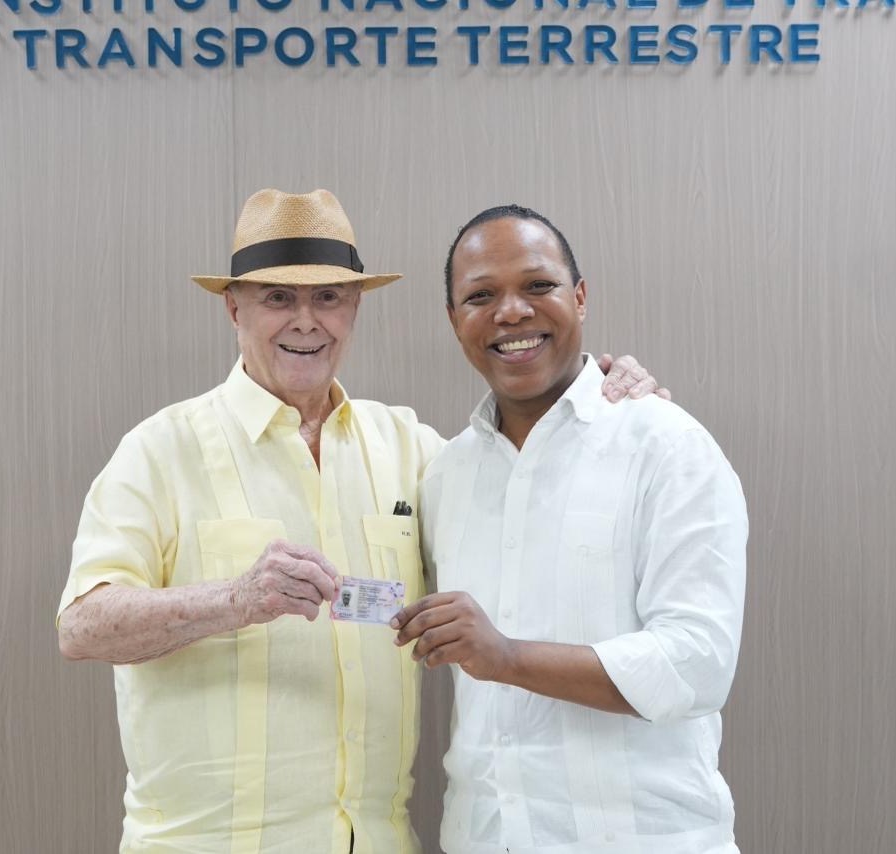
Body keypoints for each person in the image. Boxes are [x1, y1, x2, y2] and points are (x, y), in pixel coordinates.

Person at [56, 189, 662, 854]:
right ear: (234, 308)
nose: (306, 321)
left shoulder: (412, 450)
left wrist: (600, 397)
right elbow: (81, 626)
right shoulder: (160, 450)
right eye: (278, 298)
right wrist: (235, 599)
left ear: (354, 308)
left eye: (328, 297)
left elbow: (536, 510)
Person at [392, 205, 748, 854]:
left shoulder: (665, 445)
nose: (511, 312)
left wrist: (507, 657)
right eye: (480, 296)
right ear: (454, 319)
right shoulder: (445, 475)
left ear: (579, 298)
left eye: (538, 285)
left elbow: (697, 664)